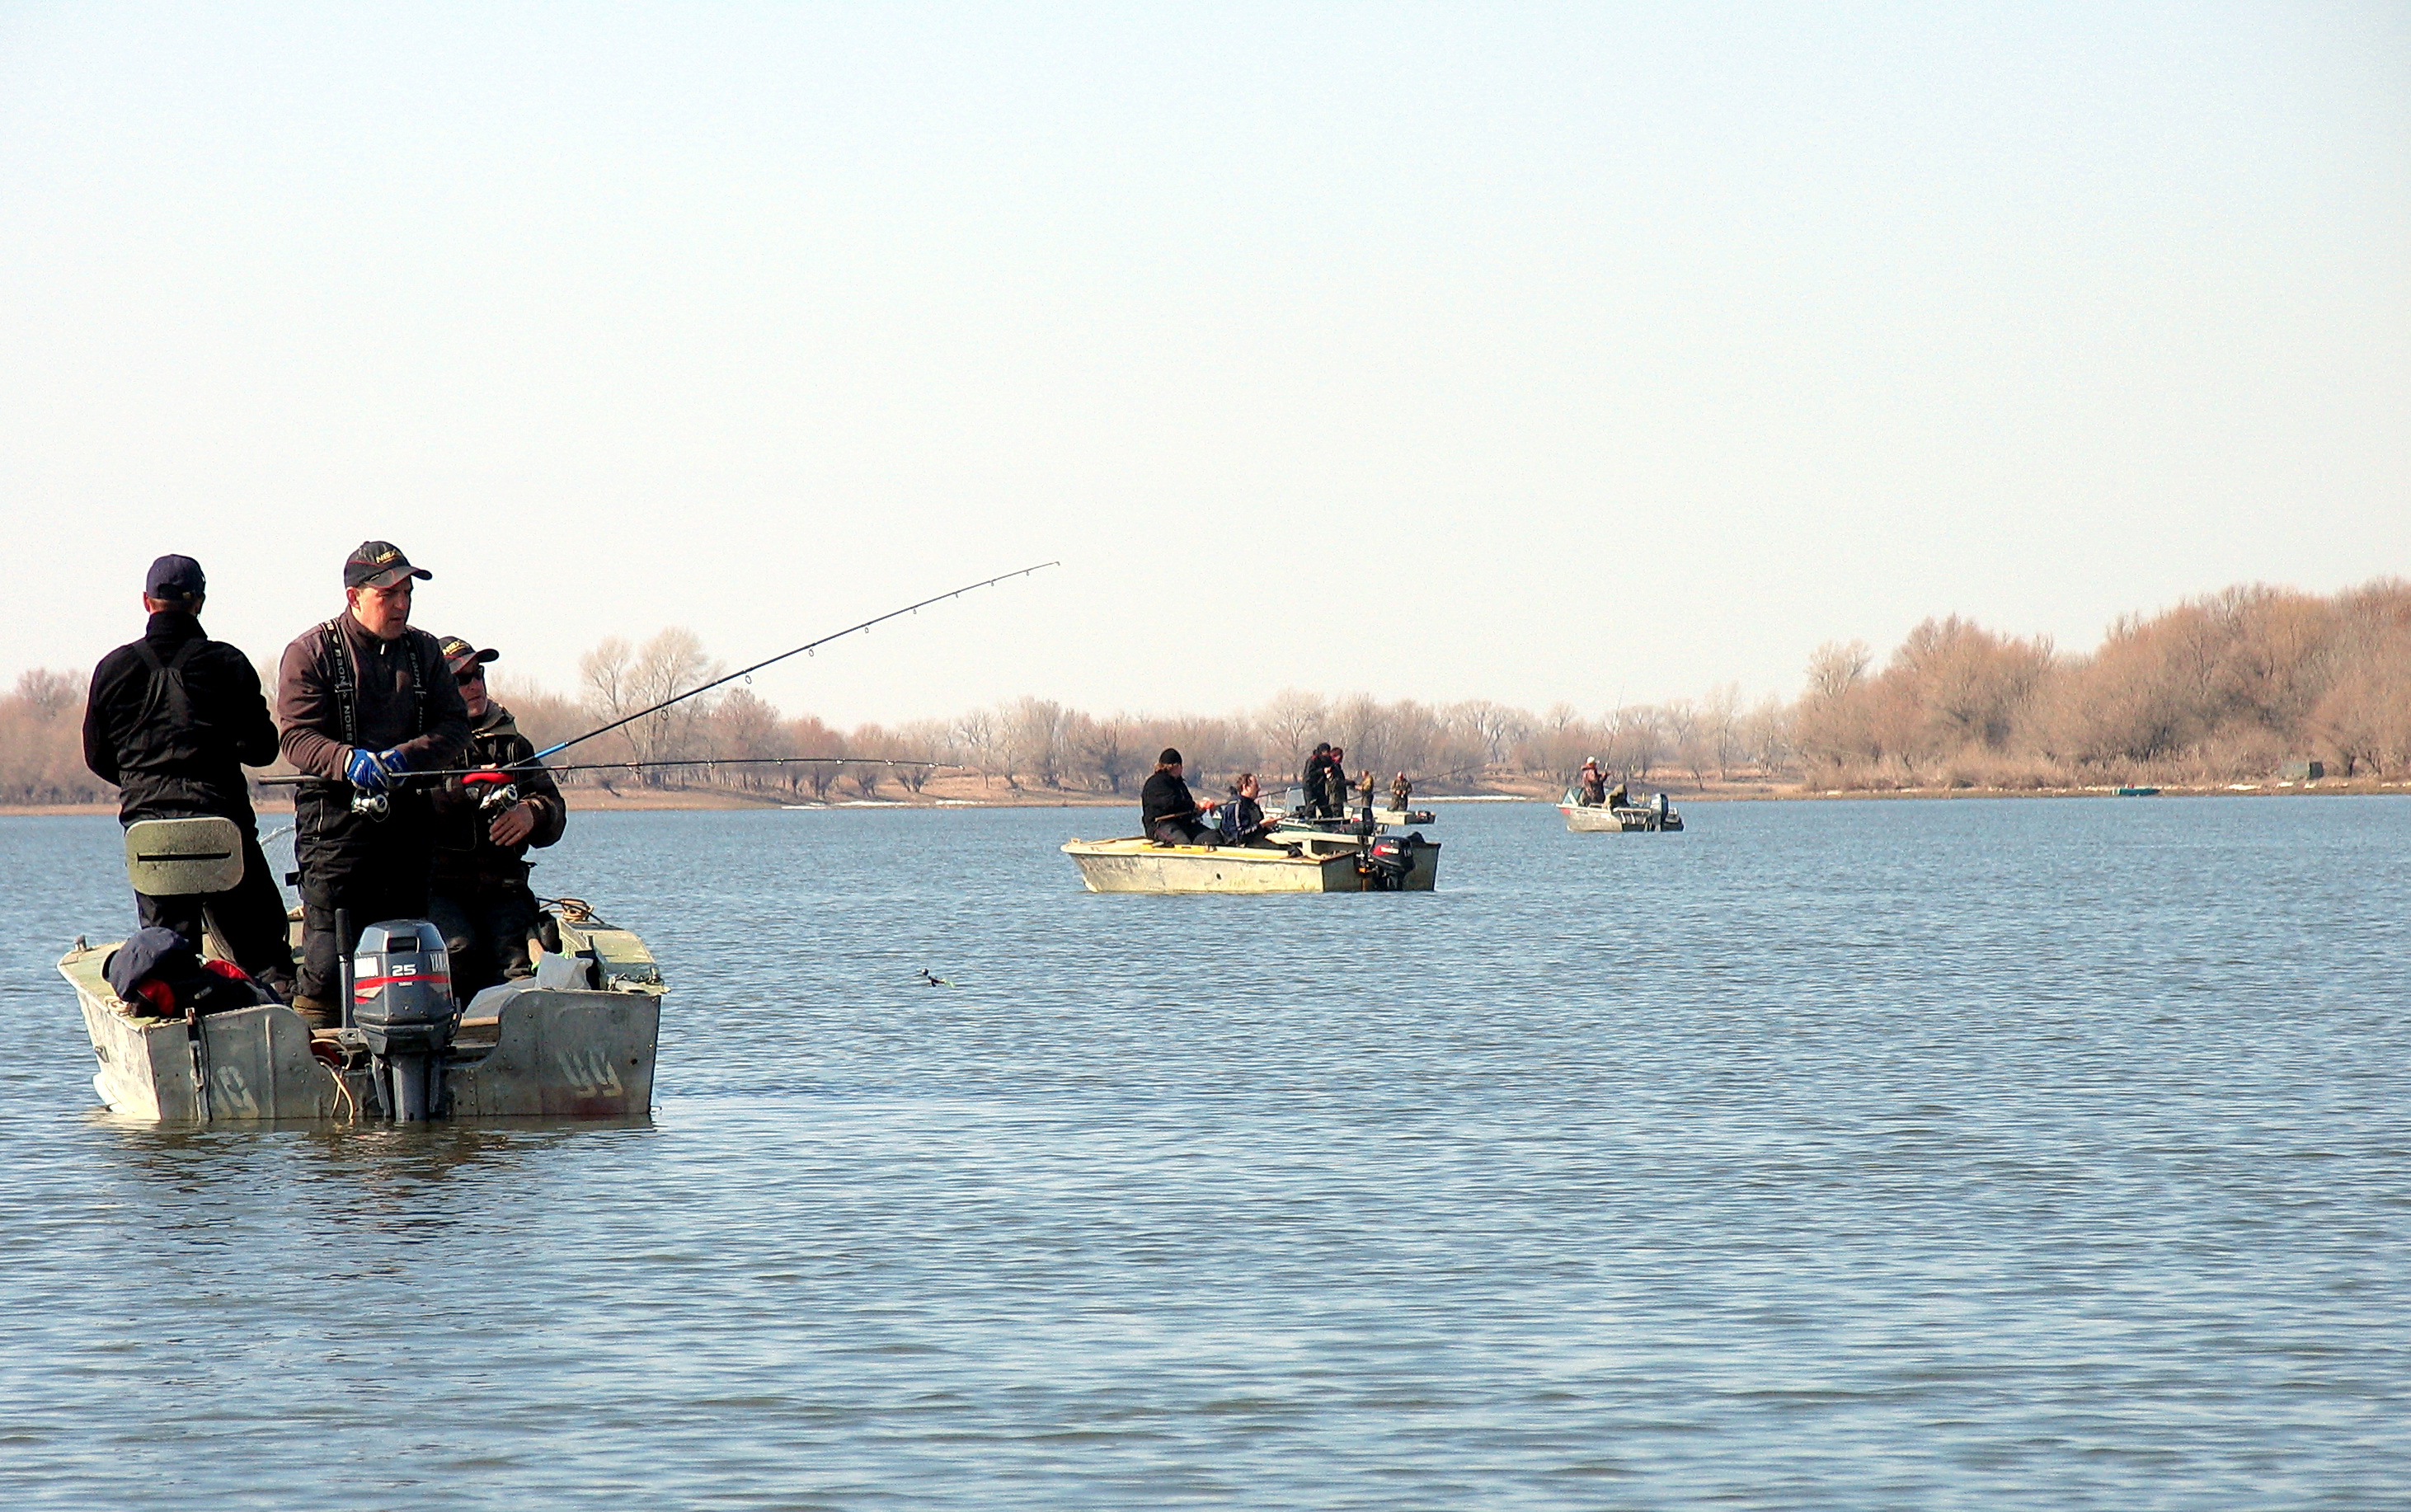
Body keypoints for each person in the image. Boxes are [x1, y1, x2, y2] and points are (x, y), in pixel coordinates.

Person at [82, 554, 297, 998]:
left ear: (146, 601)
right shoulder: (227, 663)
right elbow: (263, 749)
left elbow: (98, 756)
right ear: (198, 602)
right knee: (266, 958)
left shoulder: (113, 669)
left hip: (150, 839)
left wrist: (141, 782)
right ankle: (280, 1030)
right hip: (222, 832)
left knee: (165, 961)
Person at [275, 542, 472, 1027]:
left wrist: (407, 757)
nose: (402, 603)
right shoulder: (311, 652)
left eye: (407, 592)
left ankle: (415, 1049)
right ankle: (319, 1057)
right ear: (354, 596)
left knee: (409, 958)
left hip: (408, 831)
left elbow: (454, 728)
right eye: (388, 594)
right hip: (336, 832)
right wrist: (346, 760)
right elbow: (296, 737)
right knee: (323, 966)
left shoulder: (425, 651)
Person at [425, 637, 566, 1001]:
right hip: (438, 889)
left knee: (517, 964)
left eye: (478, 674)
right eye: (461, 679)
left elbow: (553, 807)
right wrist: (463, 791)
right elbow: (407, 808)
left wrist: (532, 814)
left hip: (503, 888)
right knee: (457, 951)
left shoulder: (513, 743)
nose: (473, 685)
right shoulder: (422, 744)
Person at [1140, 748, 1220, 846]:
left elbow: (1186, 803)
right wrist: (1195, 805)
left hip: (1183, 824)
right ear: (1177, 766)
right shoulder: (1156, 783)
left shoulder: (1179, 783)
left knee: (1213, 837)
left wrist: (1199, 809)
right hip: (1159, 825)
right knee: (1182, 842)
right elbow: (1171, 803)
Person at [1216, 772, 1281, 847]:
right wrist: (1262, 824)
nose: (1259, 789)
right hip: (1240, 848)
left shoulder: (1253, 806)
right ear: (1245, 787)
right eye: (1256, 786)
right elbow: (1238, 837)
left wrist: (1268, 826)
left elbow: (1257, 831)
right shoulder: (1236, 806)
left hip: (1256, 843)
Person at [1300, 742, 1333, 818]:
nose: (1328, 754)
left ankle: (1329, 820)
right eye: (1327, 752)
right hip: (1310, 786)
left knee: (1324, 806)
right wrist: (1323, 771)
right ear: (1322, 752)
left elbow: (1332, 766)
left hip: (1320, 786)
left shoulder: (1327, 760)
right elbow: (1309, 774)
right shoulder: (1312, 760)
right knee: (1311, 805)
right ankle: (1308, 819)